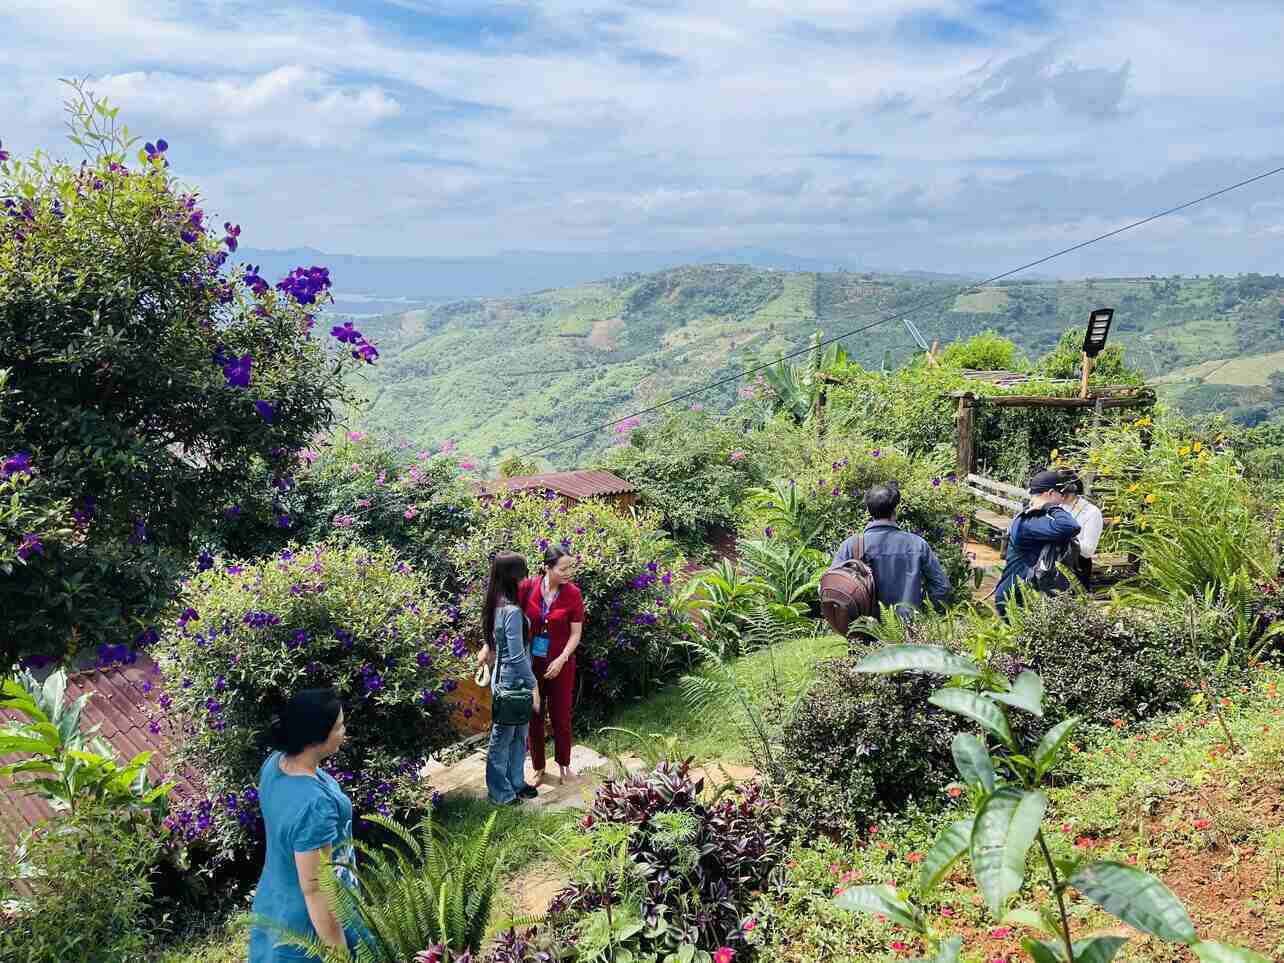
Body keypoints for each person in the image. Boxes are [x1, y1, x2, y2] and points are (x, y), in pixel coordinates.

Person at [248, 689, 360, 962]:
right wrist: (339, 953)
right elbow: (317, 889)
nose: (344, 730)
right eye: (338, 726)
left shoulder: (276, 764)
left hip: (274, 903)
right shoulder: (314, 808)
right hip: (310, 931)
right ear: (315, 738)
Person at [476, 550, 541, 806]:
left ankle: (516, 782)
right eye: (522, 574)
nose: (525, 579)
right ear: (513, 577)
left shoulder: (498, 603)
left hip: (512, 680)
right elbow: (515, 656)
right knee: (503, 738)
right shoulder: (511, 611)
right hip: (511, 682)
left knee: (518, 735)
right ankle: (500, 792)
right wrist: (533, 683)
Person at [832, 481, 951, 618]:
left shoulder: (851, 545)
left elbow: (832, 588)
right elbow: (942, 587)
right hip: (910, 630)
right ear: (895, 510)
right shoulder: (917, 544)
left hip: (864, 630)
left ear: (869, 512)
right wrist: (925, 611)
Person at [521, 545, 585, 785]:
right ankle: (538, 766)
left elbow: (575, 634)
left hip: (561, 665)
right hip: (531, 665)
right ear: (547, 568)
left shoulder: (573, 594)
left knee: (561, 717)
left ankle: (564, 765)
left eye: (571, 567)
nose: (568, 572)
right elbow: (511, 618)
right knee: (534, 715)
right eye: (563, 568)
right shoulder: (527, 588)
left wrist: (562, 658)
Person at [994, 469, 1082, 617]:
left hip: (1027, 595)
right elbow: (1071, 526)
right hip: (1017, 599)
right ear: (1049, 493)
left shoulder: (1036, 518)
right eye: (1061, 494)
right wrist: (1048, 506)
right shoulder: (1030, 521)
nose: (1063, 499)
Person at [1062, 472, 1104, 588]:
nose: (1062, 497)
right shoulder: (1057, 506)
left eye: (1066, 494)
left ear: (1075, 492)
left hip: (1077, 566)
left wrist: (1063, 538)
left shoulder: (1091, 512)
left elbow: (1088, 550)